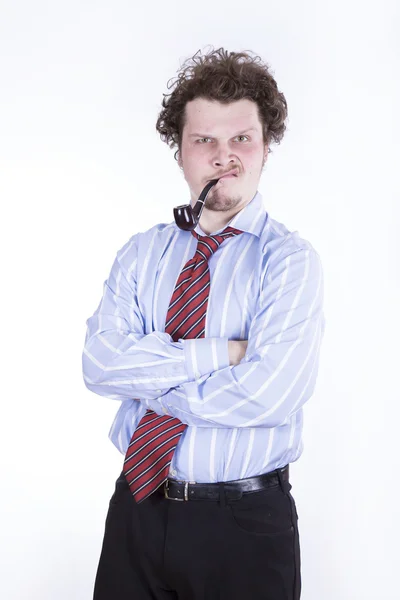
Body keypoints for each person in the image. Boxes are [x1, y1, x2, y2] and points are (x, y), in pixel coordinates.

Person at [82, 46, 325, 600]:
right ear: (181, 154)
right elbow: (99, 365)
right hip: (136, 510)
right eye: (204, 141)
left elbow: (270, 395)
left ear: (265, 148)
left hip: (243, 526)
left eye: (241, 138)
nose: (224, 156)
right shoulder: (142, 254)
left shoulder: (288, 260)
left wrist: (152, 387)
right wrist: (223, 354)